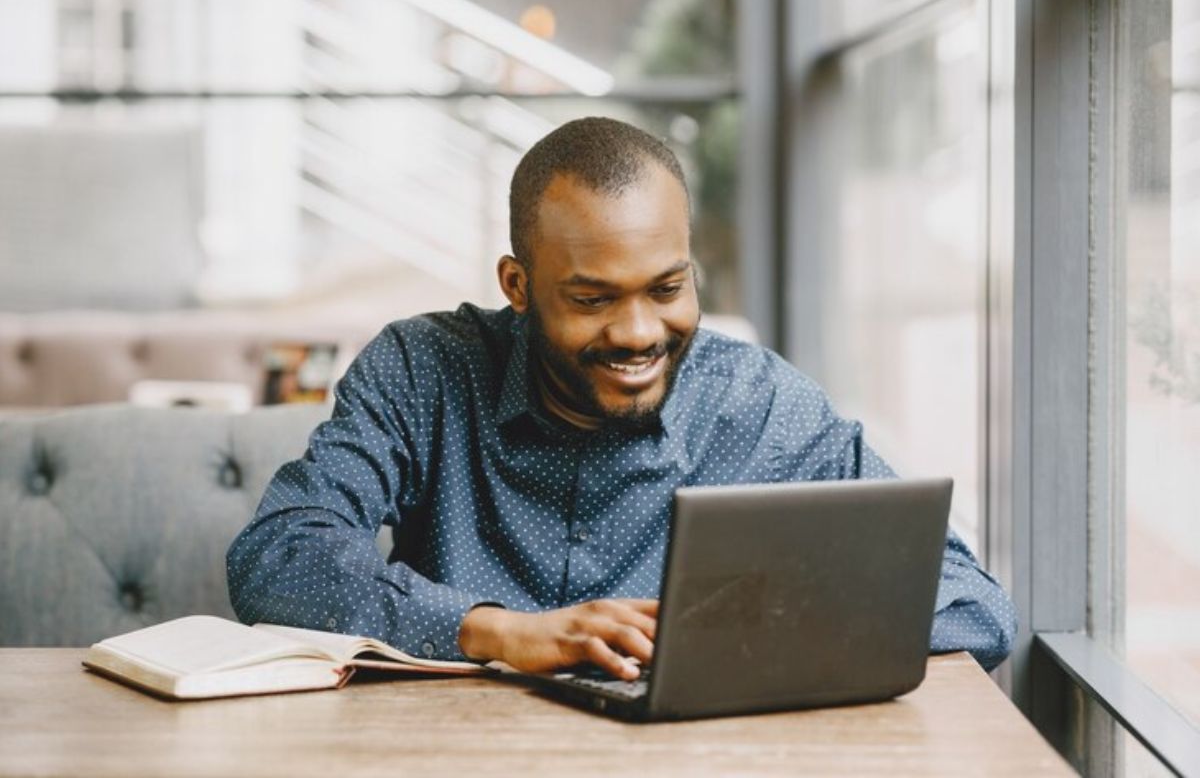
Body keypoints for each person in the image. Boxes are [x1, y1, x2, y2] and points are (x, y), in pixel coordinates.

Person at [226, 117, 1017, 680]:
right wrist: (500, 632)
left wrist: (721, 639)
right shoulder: (422, 368)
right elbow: (277, 556)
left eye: (667, 288)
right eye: (594, 299)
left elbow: (972, 608)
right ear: (519, 286)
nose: (641, 332)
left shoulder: (762, 405)